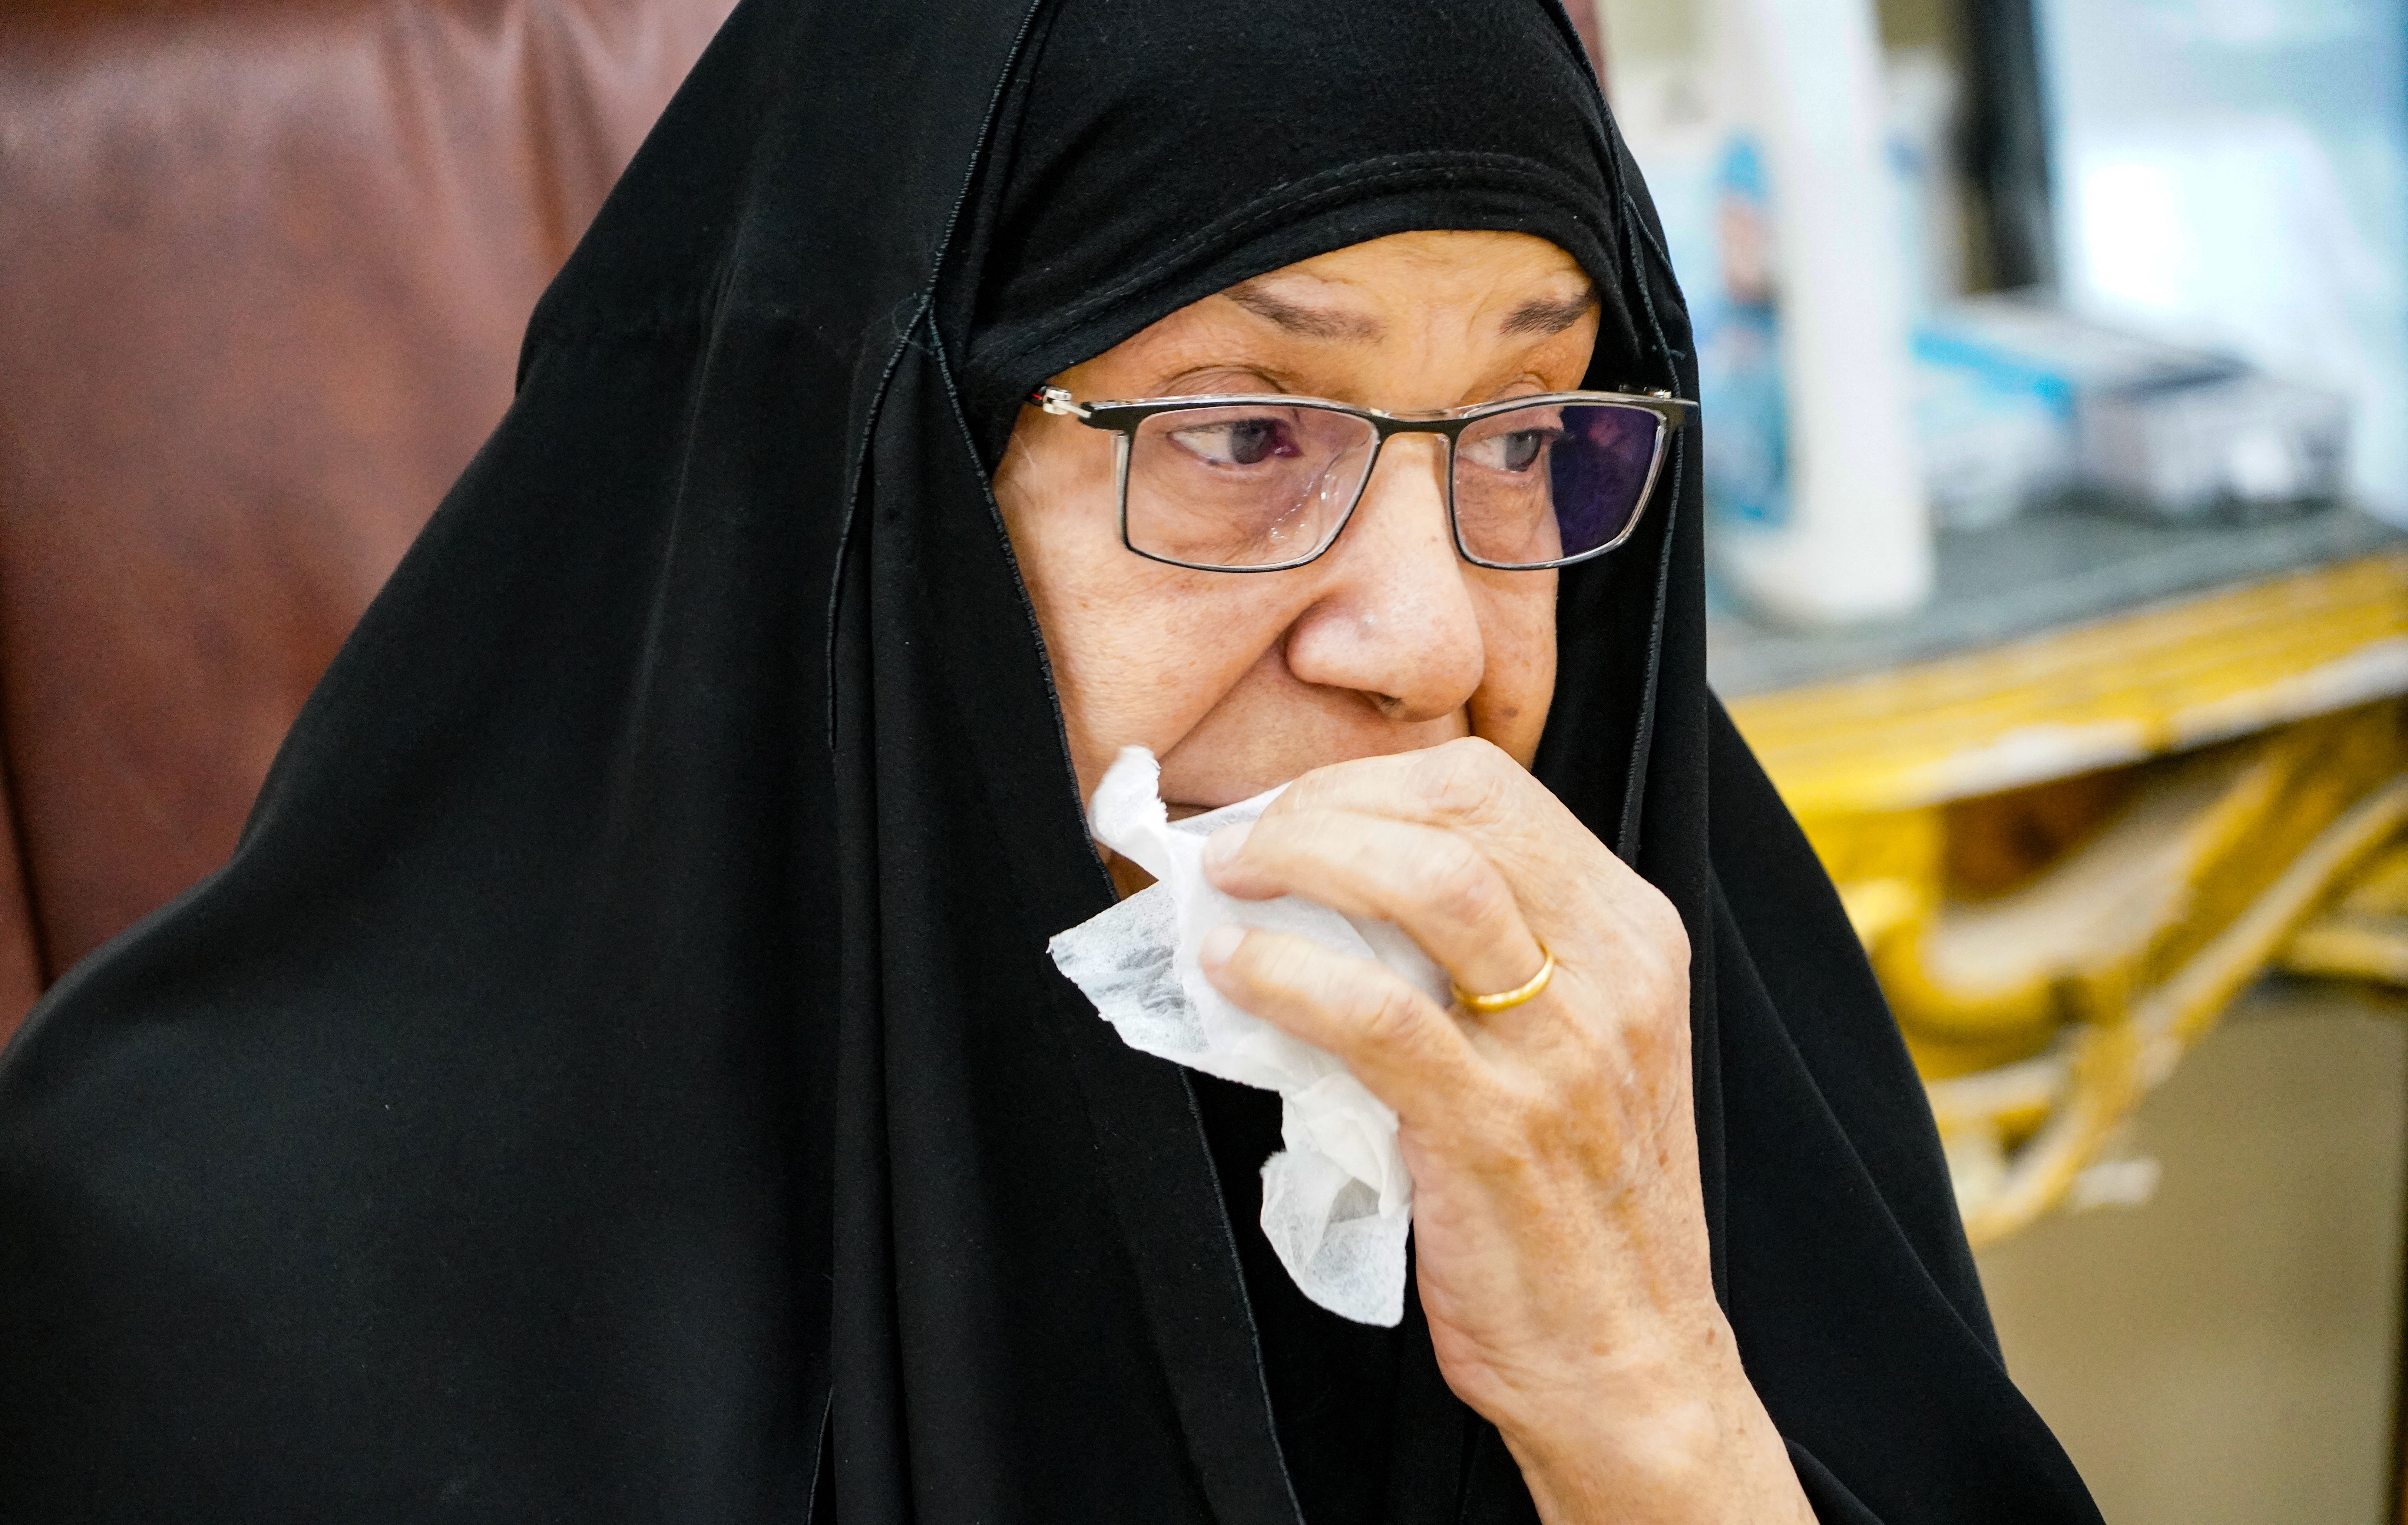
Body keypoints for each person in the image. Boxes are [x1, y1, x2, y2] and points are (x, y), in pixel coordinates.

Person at [0, 0, 2101, 1520]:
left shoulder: (1668, 1089)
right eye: (1245, 434)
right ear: (871, 500)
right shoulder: (215, 1302)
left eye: (1531, 432)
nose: (1435, 647)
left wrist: (1646, 1404)